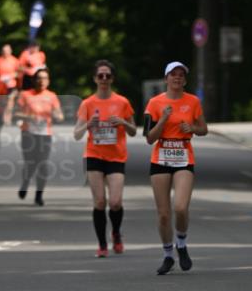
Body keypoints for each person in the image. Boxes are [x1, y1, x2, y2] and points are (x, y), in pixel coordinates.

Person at [144, 61, 207, 275]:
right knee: (163, 214)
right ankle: (168, 255)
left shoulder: (193, 101)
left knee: (180, 208)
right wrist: (163, 119)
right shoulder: (154, 103)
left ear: (185, 80)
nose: (177, 77)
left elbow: (204, 129)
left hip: (183, 157)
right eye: (173, 74)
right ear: (166, 79)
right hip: (160, 158)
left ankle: (181, 243)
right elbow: (149, 138)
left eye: (181, 75)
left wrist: (192, 128)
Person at [73, 59, 136, 257]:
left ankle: (116, 233)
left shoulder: (122, 102)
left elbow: (134, 131)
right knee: (100, 202)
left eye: (107, 75)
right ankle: (102, 245)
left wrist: (123, 122)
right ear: (95, 78)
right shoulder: (87, 104)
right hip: (94, 155)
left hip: (116, 156)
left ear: (112, 78)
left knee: (115, 202)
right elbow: (76, 134)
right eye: (100, 75)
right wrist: (88, 125)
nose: (104, 79)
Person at [13, 67, 63, 205]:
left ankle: (39, 195)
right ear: (34, 80)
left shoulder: (52, 96)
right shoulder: (25, 94)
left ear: (48, 81)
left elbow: (59, 115)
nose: (42, 81)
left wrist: (57, 116)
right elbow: (15, 113)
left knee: (43, 164)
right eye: (39, 78)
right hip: (28, 134)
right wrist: (29, 116)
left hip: (45, 134)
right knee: (30, 163)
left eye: (45, 78)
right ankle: (25, 182)